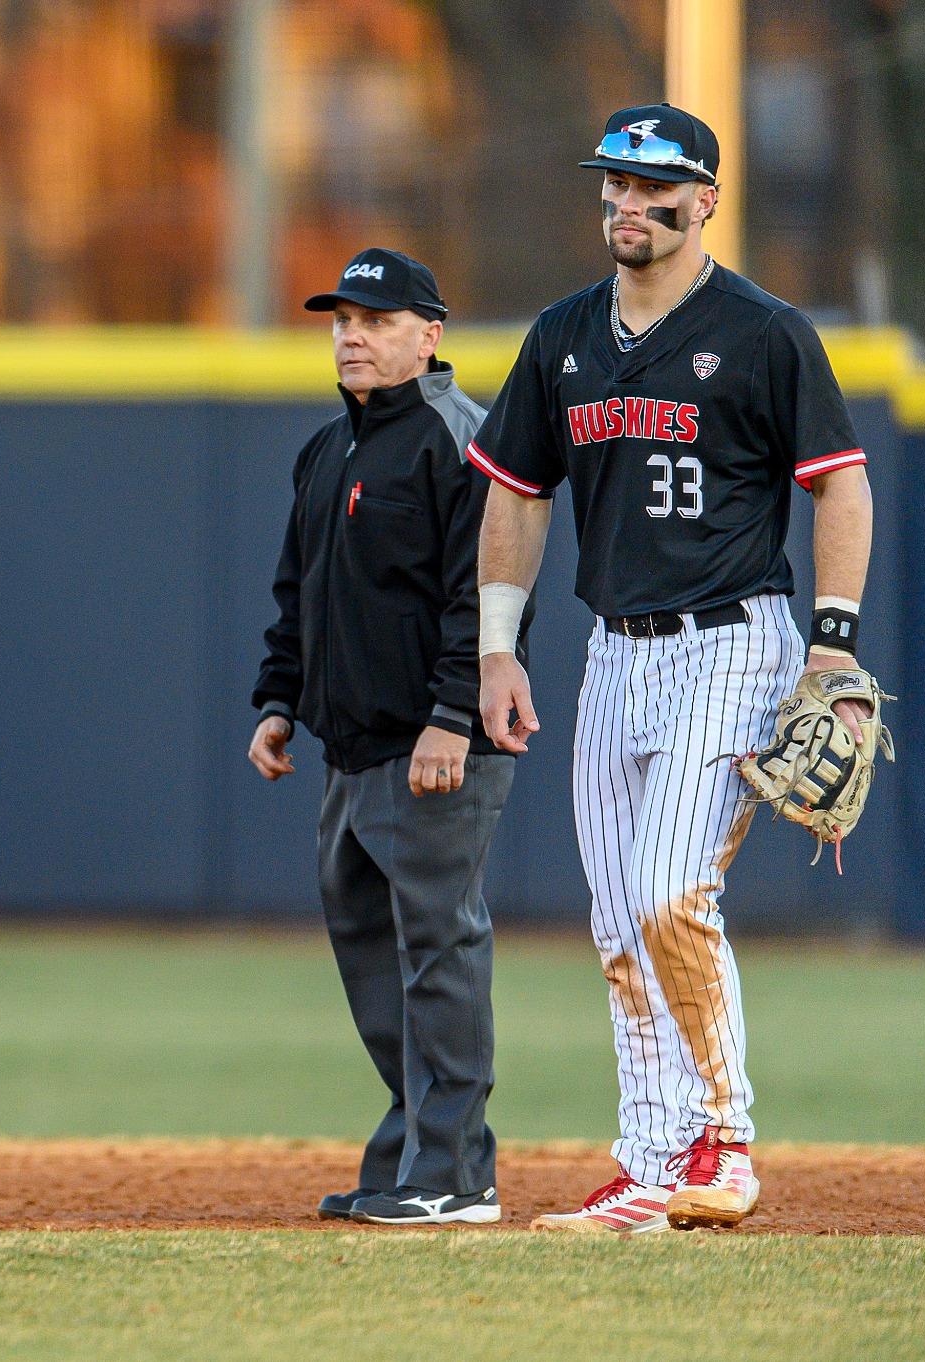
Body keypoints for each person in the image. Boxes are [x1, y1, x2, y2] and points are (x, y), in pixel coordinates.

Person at [468, 105, 873, 1233]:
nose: (626, 204)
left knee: (663, 891)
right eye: (612, 182)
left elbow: (839, 484)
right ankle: (648, 1164)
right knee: (614, 921)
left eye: (653, 187)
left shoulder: (761, 330)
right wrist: (496, 648)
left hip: (731, 642)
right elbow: (513, 491)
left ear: (703, 201)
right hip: (614, 650)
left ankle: (723, 1142)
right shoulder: (559, 335)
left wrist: (832, 643)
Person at [250, 248, 528, 1227]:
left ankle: (455, 1174)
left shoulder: (460, 439)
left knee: (435, 952)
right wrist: (278, 697)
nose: (350, 336)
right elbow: (300, 590)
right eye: (339, 321)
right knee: (373, 958)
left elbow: (484, 601)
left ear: (428, 335)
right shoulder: (326, 450)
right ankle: (410, 1150)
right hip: (348, 750)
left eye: (372, 320)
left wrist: (448, 717)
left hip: (434, 751)